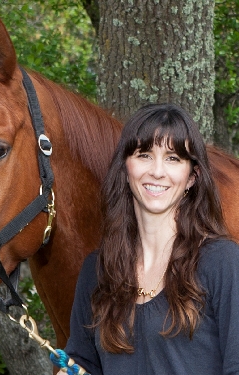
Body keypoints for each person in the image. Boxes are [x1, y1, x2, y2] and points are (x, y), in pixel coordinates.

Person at [58, 103, 239, 375]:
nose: (157, 171)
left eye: (173, 158)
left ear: (192, 176)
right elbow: (82, 363)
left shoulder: (222, 262)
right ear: (125, 167)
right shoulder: (97, 273)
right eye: (144, 155)